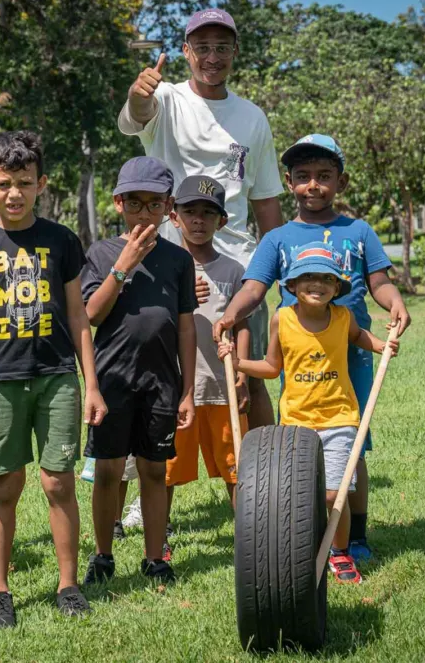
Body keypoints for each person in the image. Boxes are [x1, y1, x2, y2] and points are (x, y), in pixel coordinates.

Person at [214, 134, 411, 565]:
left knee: (352, 445)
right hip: (299, 357)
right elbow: (254, 288)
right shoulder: (278, 238)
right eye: (303, 177)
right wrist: (229, 316)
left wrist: (394, 303)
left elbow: (379, 281)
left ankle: (355, 536)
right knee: (302, 449)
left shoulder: (358, 231)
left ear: (341, 181)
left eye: (324, 176)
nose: (313, 185)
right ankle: (306, 530)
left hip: (351, 354)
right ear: (289, 183)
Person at [0, 131, 107, 627]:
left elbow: (79, 317)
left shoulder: (62, 241)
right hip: (2, 383)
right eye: (3, 184)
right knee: (5, 485)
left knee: (58, 483)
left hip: (58, 378)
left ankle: (68, 585)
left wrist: (92, 385)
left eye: (24, 183)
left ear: (41, 183)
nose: (14, 193)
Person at [118, 8, 284, 433]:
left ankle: (261, 469)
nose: (212, 57)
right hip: (168, 264)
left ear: (235, 51)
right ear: (186, 51)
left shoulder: (253, 117)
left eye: (222, 47)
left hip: (239, 269)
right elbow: (138, 114)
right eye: (203, 47)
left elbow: (265, 200)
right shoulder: (167, 98)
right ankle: (152, 473)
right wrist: (139, 93)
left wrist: (281, 268)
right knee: (159, 373)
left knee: (248, 376)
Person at [219, 242, 398, 583]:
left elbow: (359, 336)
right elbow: (272, 367)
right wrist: (237, 362)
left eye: (327, 278)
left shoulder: (343, 317)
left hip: (339, 417)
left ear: (337, 287)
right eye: (308, 277)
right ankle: (302, 549)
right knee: (298, 496)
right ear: (292, 285)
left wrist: (382, 345)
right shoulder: (282, 319)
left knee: (334, 493)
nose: (317, 284)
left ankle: (339, 552)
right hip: (295, 422)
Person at [81, 157, 197, 586]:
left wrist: (187, 390)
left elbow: (186, 326)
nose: (144, 213)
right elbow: (91, 314)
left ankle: (154, 558)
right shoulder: (100, 253)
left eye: (154, 204)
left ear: (168, 207)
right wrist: (123, 264)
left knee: (153, 470)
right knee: (108, 471)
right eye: (135, 203)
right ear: (118, 203)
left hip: (161, 382)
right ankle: (103, 555)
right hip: (112, 379)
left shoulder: (178, 260)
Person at [163, 175, 249, 561]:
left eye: (208, 213)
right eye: (190, 212)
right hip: (177, 388)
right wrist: (180, 298)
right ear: (174, 216)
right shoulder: (165, 266)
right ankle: (159, 534)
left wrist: (242, 375)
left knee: (236, 464)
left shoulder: (233, 271)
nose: (198, 220)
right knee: (166, 467)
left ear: (222, 221)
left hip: (221, 384)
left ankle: (248, 532)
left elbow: (243, 325)